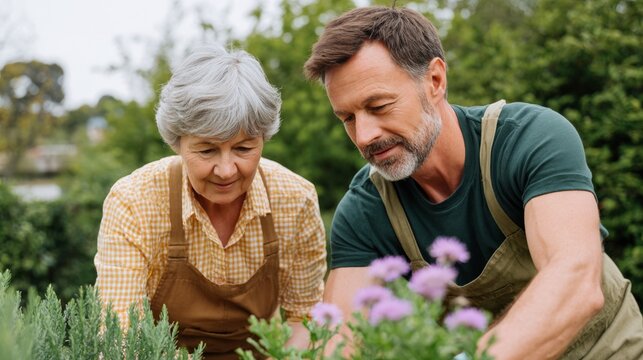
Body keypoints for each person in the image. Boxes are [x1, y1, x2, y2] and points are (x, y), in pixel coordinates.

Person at [303, 6, 643, 360]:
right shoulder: (365, 210)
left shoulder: (530, 139)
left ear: (435, 81)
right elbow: (341, 341)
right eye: (347, 118)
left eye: (380, 106)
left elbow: (575, 282)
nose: (364, 135)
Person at [95, 45, 327, 359]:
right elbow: (121, 332)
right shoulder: (134, 201)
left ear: (263, 139)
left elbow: (306, 318)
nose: (226, 170)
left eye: (244, 149)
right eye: (206, 151)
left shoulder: (294, 200)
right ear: (177, 142)